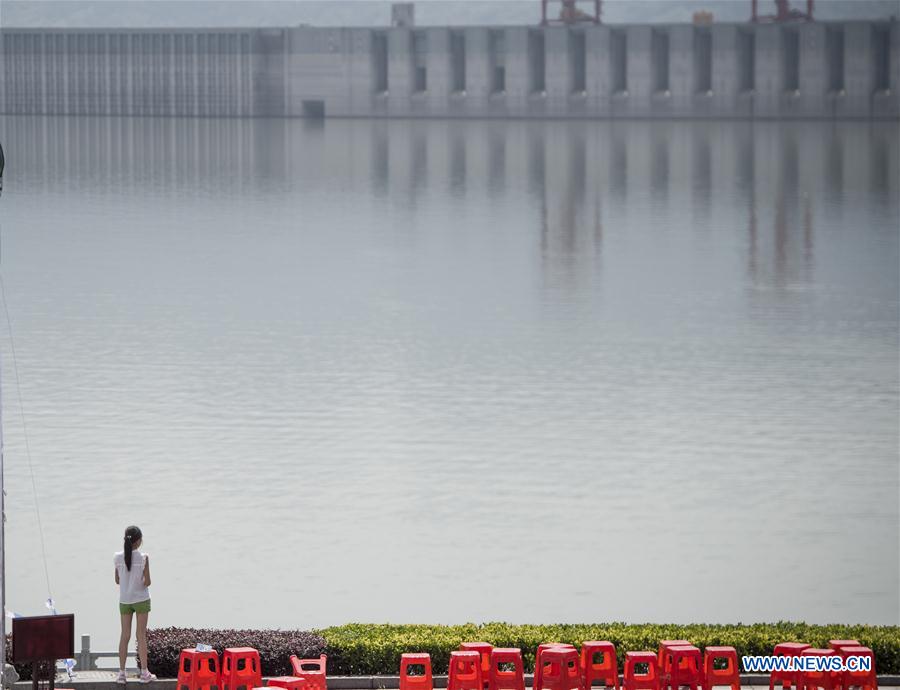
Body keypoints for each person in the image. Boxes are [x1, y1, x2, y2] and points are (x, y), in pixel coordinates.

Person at [114, 525, 157, 683]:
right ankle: (144, 673)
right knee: (141, 636)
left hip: (124, 601)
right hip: (141, 600)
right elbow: (148, 582)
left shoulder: (117, 557)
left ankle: (121, 674)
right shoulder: (143, 557)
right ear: (138, 541)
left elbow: (117, 580)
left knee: (124, 636)